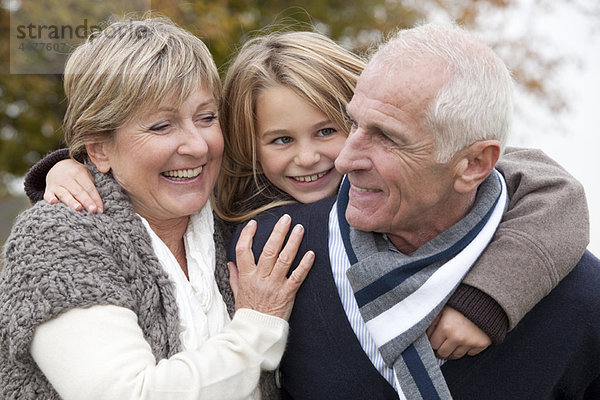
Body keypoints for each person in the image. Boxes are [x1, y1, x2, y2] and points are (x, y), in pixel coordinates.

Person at [23, 28, 592, 398]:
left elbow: (537, 183)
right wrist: (67, 168)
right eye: (280, 140)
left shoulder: (222, 215)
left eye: (330, 129)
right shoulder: (244, 223)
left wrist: (490, 297)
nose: (317, 157)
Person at [228, 23, 600, 399]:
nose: (342, 159)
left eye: (387, 137)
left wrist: (489, 298)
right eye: (354, 123)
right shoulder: (265, 256)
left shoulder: (578, 296)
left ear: (472, 165)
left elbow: (546, 184)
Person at [0, 17, 316, 400]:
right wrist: (258, 325)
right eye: (161, 126)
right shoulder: (56, 239)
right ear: (99, 148)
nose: (198, 146)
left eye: (207, 118)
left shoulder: (229, 214)